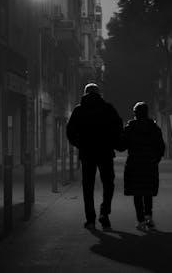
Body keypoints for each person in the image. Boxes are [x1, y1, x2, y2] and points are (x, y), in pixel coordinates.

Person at [66, 83, 123, 230]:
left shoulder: (79, 110)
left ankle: (90, 219)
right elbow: (118, 127)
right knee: (108, 184)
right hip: (105, 152)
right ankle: (104, 213)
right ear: (99, 93)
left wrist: (80, 144)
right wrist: (112, 142)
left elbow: (70, 132)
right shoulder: (108, 108)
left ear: (85, 93)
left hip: (87, 153)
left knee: (88, 187)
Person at [119, 101, 165, 230]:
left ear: (135, 114)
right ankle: (148, 216)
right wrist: (155, 159)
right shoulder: (154, 128)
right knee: (148, 191)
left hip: (134, 164)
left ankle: (140, 220)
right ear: (147, 113)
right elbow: (161, 147)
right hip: (150, 164)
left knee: (137, 192)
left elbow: (122, 146)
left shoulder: (130, 128)